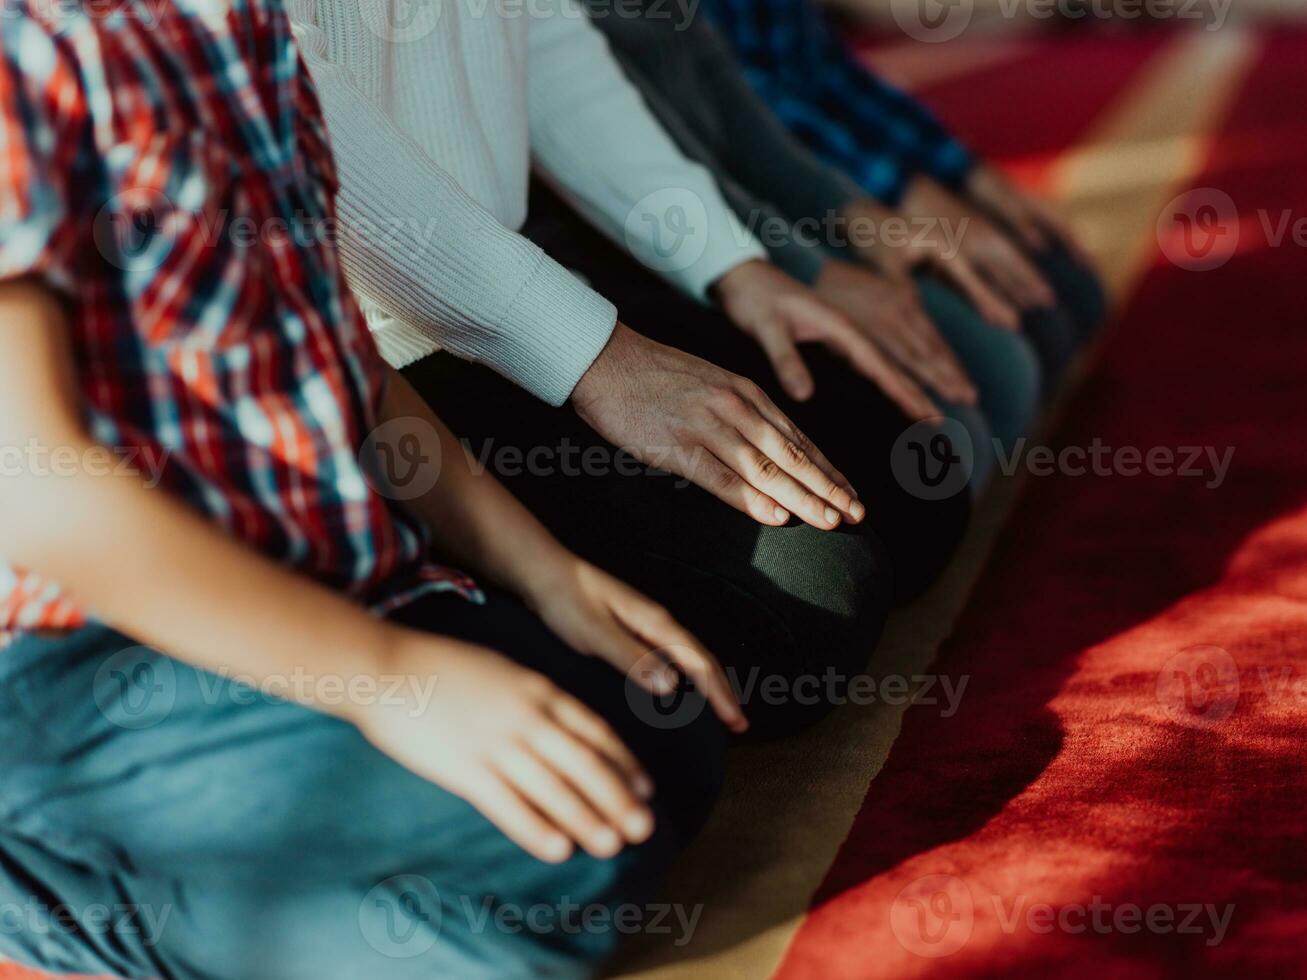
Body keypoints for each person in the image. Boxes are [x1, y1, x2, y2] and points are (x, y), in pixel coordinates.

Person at [0, 2, 742, 975]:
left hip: (333, 587)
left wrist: (549, 572)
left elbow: (343, 362)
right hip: (97, 653)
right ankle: (54, 881)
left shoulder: (242, 24)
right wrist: (391, 680)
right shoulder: (26, 50)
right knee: (547, 853)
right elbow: (39, 493)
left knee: (661, 731)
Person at [289, 0, 974, 735]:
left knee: (915, 486)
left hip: (523, 255)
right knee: (811, 607)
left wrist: (727, 262)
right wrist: (596, 357)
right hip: (383, 345)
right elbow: (300, 117)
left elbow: (549, 42)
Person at [572, 2, 1045, 492]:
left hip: (749, 228)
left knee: (1007, 366)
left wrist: (865, 217)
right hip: (650, 256)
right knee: (944, 444)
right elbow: (654, 174)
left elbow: (756, 118)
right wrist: (807, 269)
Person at [702, 0, 1109, 393]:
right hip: (754, 199)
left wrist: (965, 173)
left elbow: (829, 70)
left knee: (1071, 293)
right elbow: (743, 116)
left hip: (829, 175)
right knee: (1011, 366)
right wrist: (892, 198)